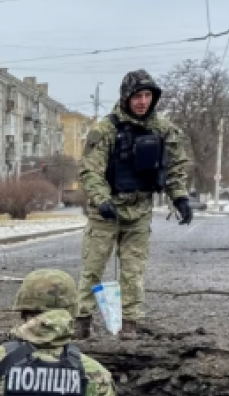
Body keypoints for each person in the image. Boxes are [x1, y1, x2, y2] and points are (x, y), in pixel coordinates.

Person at [76, 69, 191, 340]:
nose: (142, 101)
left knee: (133, 270)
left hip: (139, 210)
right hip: (106, 211)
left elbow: (175, 168)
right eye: (137, 96)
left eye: (147, 95)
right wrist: (102, 199)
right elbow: (90, 170)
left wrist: (181, 197)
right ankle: (81, 320)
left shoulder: (163, 130)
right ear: (126, 97)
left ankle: (130, 325)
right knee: (93, 266)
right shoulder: (105, 129)